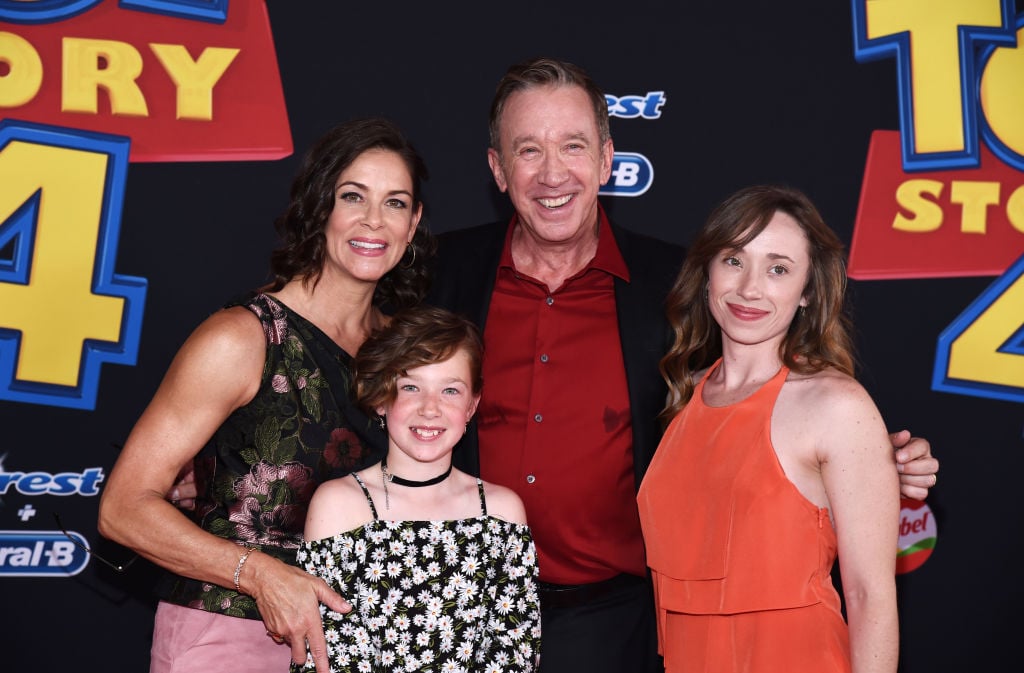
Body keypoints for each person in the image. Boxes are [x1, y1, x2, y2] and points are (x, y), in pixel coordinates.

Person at [427, 57, 936, 672]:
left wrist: (872, 463)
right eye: (528, 150)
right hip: (456, 613)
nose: (552, 172)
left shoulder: (674, 288)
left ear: (608, 159)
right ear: (498, 169)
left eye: (574, 145)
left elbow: (769, 384)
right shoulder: (436, 274)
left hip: (617, 626)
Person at [97, 117, 435, 673]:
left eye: (395, 203)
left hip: (360, 646)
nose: (374, 220)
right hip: (229, 635)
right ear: (321, 205)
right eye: (353, 196)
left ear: (414, 222)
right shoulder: (243, 337)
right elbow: (122, 508)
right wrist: (259, 573)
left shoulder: (404, 350)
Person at [638, 184, 899, 672]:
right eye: (734, 261)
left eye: (778, 269)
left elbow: (869, 594)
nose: (750, 288)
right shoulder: (683, 396)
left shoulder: (835, 405)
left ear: (806, 293)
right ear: (707, 272)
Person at [290, 305, 541, 672]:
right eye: (410, 387)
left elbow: (517, 656)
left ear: (472, 406)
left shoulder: (502, 512)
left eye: (450, 391)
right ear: (380, 398)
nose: (430, 408)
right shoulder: (340, 505)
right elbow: (331, 657)